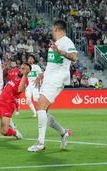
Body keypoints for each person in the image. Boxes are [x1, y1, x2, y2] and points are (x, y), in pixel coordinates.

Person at [28, 20, 78, 152]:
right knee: (43, 112)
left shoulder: (67, 42)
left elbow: (74, 57)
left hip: (57, 80)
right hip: (48, 79)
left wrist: (60, 51)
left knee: (40, 107)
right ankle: (63, 132)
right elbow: (53, 65)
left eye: (52, 29)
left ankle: (40, 143)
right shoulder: (55, 44)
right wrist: (42, 74)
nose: (52, 31)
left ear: (56, 29)